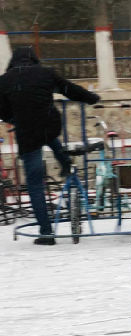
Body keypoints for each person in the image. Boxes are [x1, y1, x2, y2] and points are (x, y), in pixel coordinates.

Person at [0, 47, 100, 245]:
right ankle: (66, 164)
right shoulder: (46, 73)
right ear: (34, 58)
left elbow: (2, 111)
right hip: (49, 125)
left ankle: (46, 233)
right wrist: (92, 98)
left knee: (35, 184)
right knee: (50, 138)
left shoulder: (4, 81)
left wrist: (16, 119)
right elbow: (70, 90)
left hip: (28, 133)